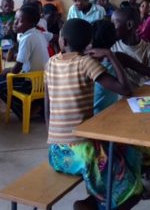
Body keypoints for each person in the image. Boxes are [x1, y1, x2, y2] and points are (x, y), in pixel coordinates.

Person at [45, 18, 142, 210]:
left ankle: (94, 201)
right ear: (89, 43)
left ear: (63, 41)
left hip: (56, 153)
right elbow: (126, 90)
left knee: (120, 151)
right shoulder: (85, 63)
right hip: (82, 153)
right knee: (129, 169)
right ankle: (107, 201)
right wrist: (110, 55)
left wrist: (54, 137)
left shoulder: (50, 63)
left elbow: (47, 107)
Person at [0, 5, 49, 118]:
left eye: (20, 21)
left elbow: (16, 69)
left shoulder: (27, 38)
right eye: (15, 20)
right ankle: (37, 104)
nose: (15, 23)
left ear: (31, 23)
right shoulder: (38, 33)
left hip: (33, 82)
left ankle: (25, 112)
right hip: (43, 79)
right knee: (5, 77)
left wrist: (6, 71)